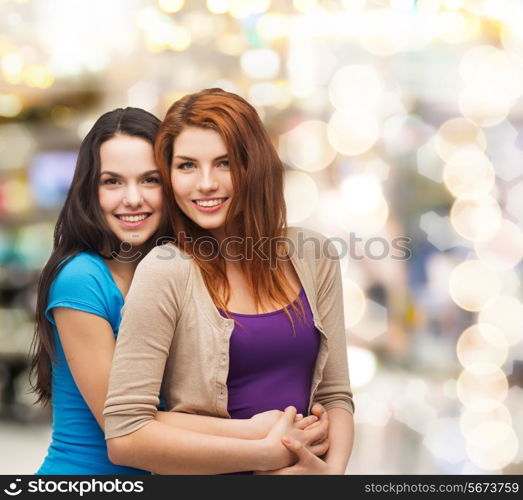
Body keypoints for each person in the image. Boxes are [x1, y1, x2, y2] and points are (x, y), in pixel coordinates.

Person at [31, 107, 326, 475]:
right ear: (90, 190)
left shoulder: (178, 270)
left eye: (150, 180)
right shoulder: (81, 278)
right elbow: (123, 421)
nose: (133, 198)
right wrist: (258, 436)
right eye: (112, 182)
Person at [103, 89, 355, 474]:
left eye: (224, 163)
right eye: (187, 166)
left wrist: (329, 475)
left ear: (255, 166)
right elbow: (125, 434)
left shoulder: (313, 254)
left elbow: (334, 395)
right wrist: (264, 454)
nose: (205, 184)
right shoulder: (166, 269)